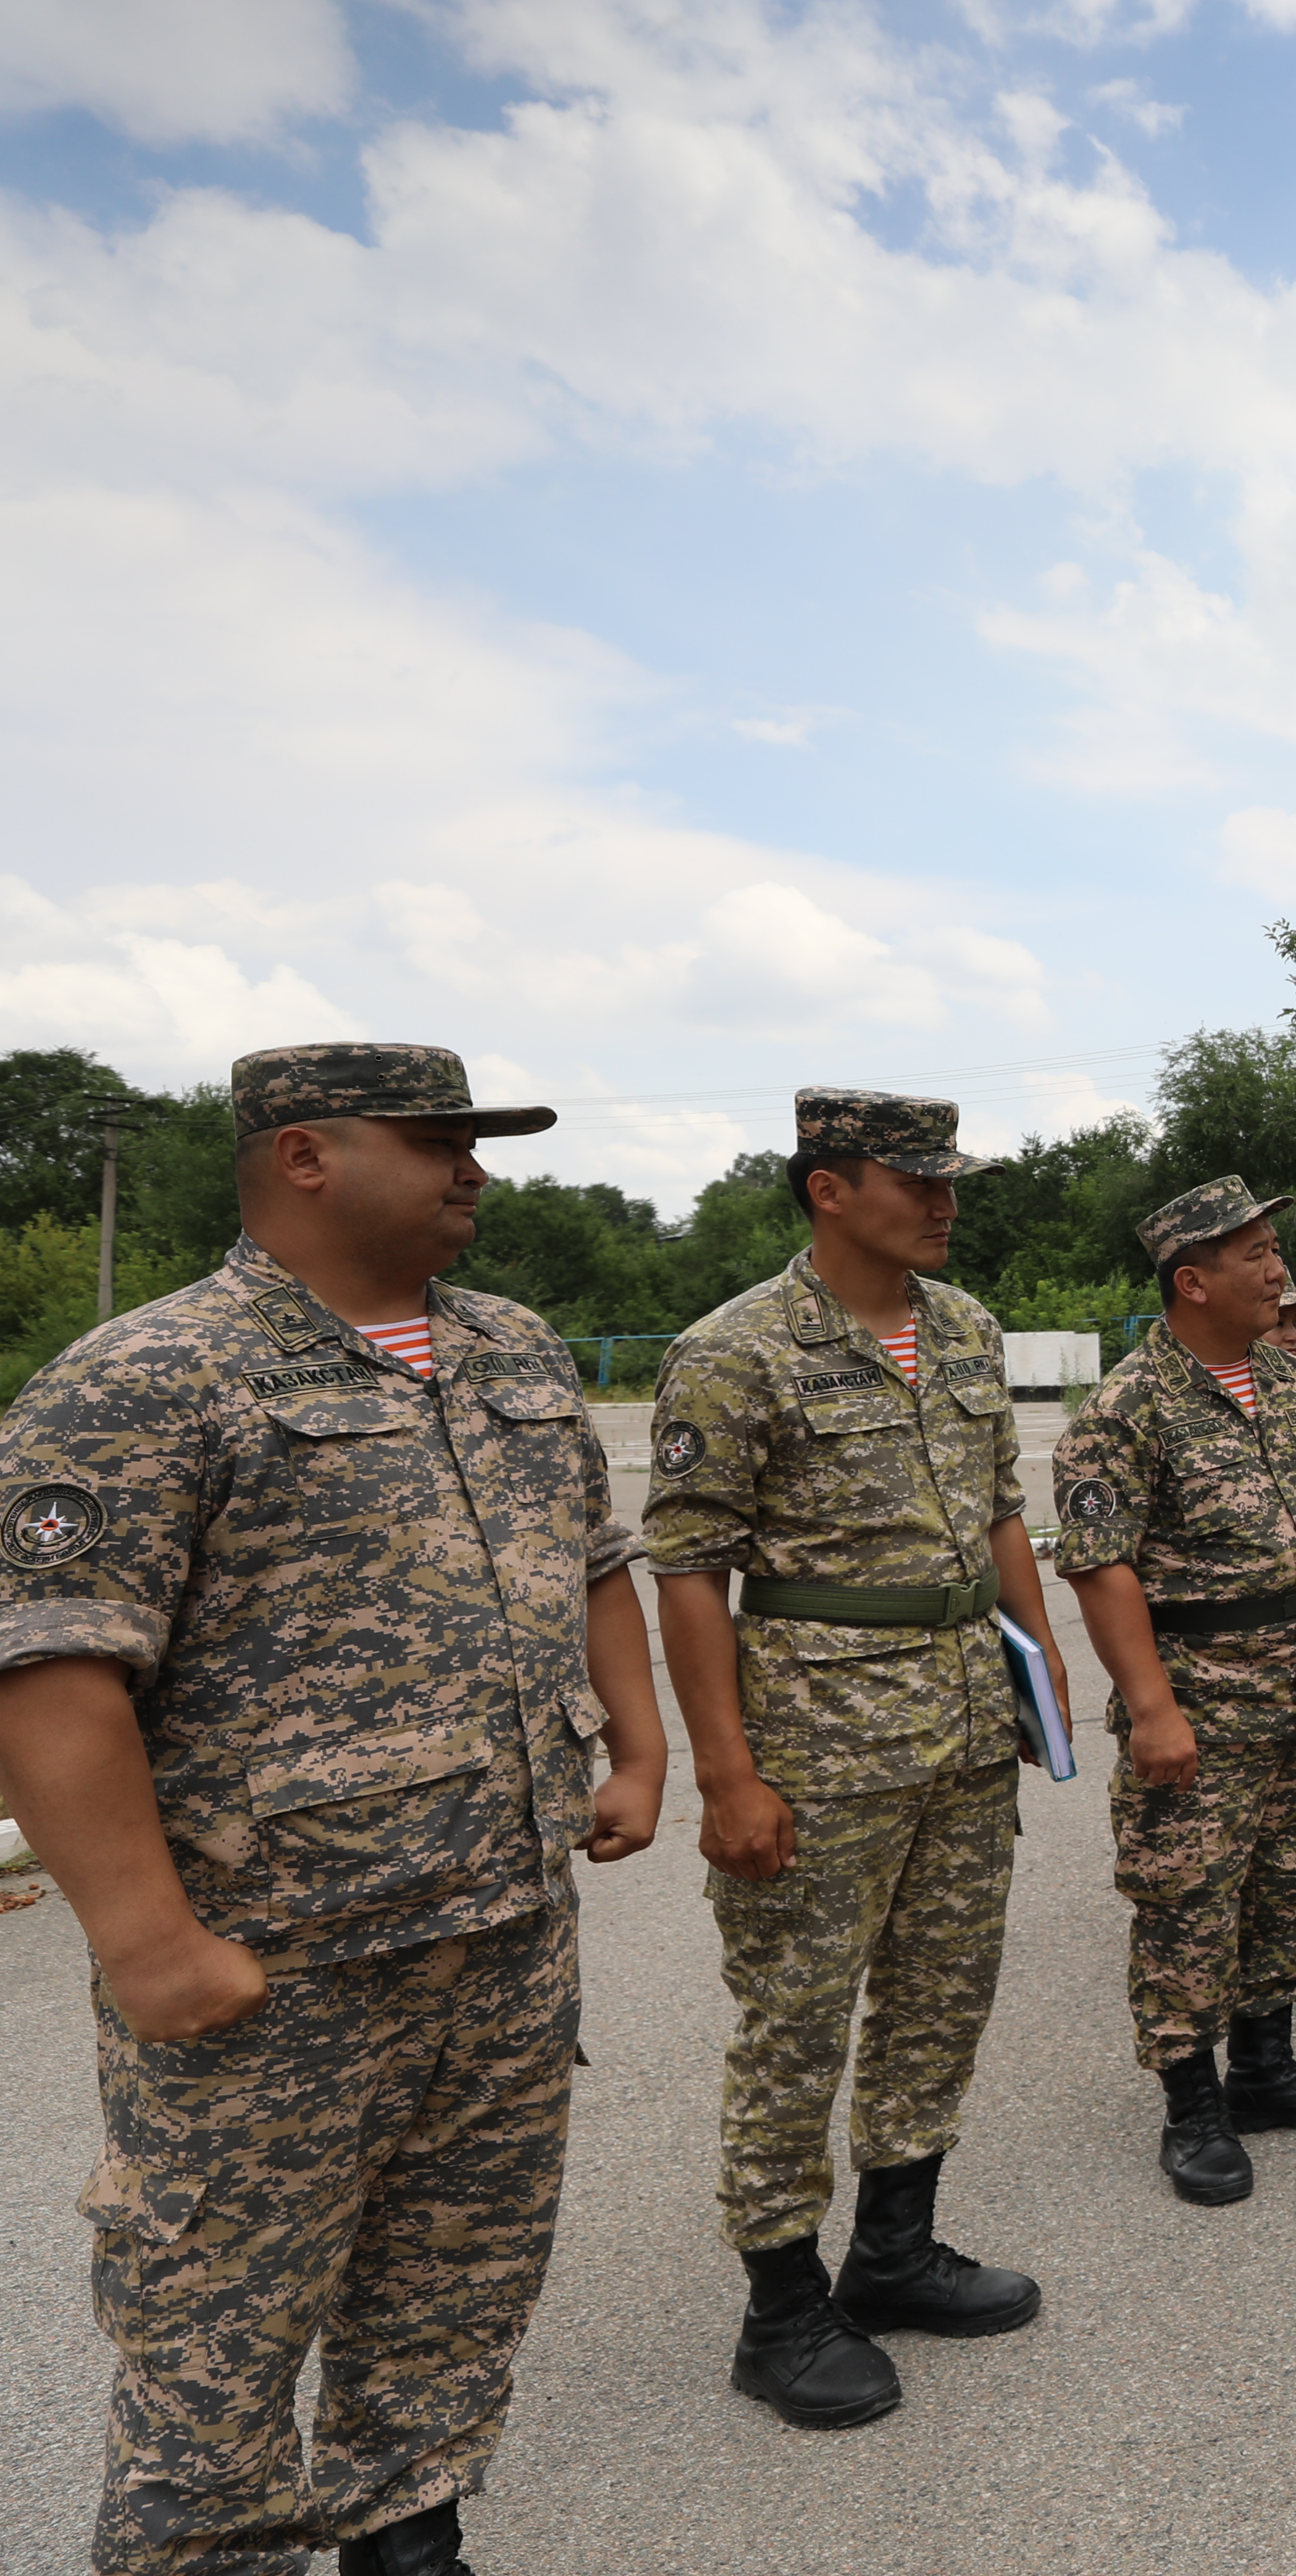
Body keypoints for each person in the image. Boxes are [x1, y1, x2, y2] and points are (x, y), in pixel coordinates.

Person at [0, 1044, 663, 2576]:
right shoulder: (147, 1380)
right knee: (215, 2338)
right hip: (275, 1979)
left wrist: (642, 1753)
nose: (473, 1171)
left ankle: (409, 2537)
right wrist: (149, 1944)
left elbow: (600, 1562)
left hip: (502, 1944)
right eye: (437, 1142)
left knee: (457, 2283)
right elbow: (50, 1675)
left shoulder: (515, 1349)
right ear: (306, 1157)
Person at [649, 1090, 1077, 2434]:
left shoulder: (965, 1329)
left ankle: (894, 2248)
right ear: (829, 1188)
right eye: (916, 1180)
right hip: (820, 1746)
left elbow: (1004, 1509)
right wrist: (725, 1774)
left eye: (953, 1179)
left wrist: (1040, 1659)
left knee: (943, 1992)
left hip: (960, 1727)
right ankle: (781, 2305)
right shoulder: (737, 1349)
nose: (946, 1202)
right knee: (796, 2018)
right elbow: (689, 1569)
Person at [1051, 1178, 1296, 2203]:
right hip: (1199, 1692)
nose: (1280, 1270)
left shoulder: (1292, 1387)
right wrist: (1152, 1707)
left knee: (1292, 1882)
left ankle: (1268, 2065)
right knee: (1187, 1900)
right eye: (1256, 1255)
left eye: (1277, 1250)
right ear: (1191, 1281)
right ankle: (1193, 2105)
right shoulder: (1125, 1407)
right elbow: (1100, 1566)